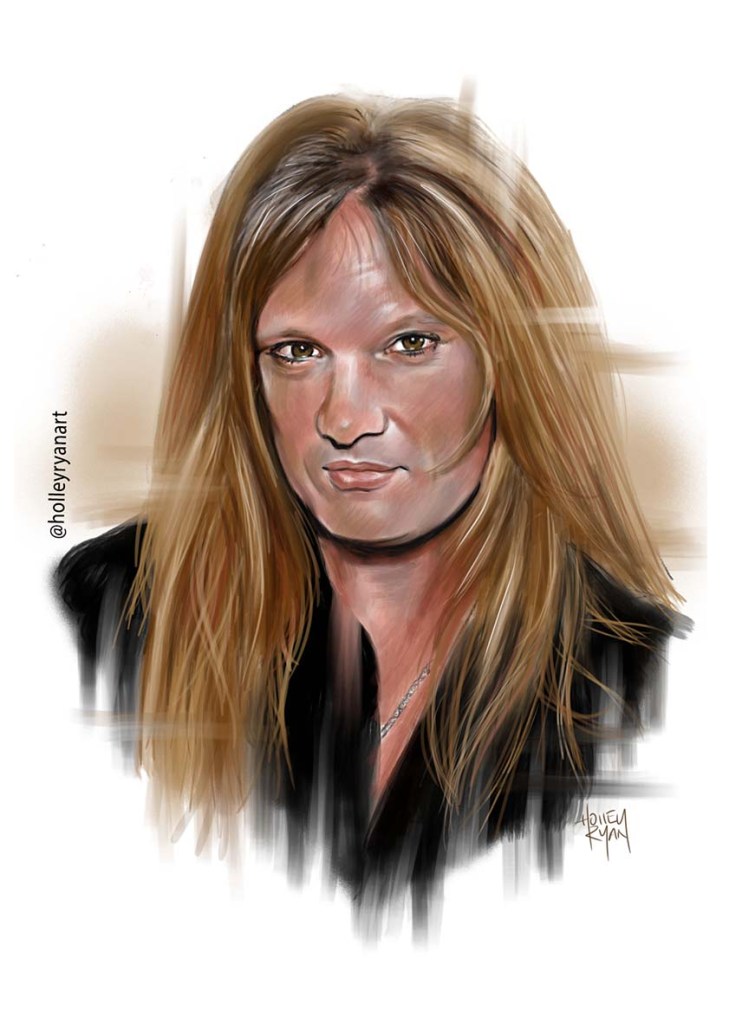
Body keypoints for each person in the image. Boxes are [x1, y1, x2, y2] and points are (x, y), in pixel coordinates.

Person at [55, 93, 688, 927]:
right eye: (297, 351)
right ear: (245, 376)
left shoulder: (637, 679)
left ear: (513, 360)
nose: (345, 418)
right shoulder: (108, 611)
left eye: (408, 344)